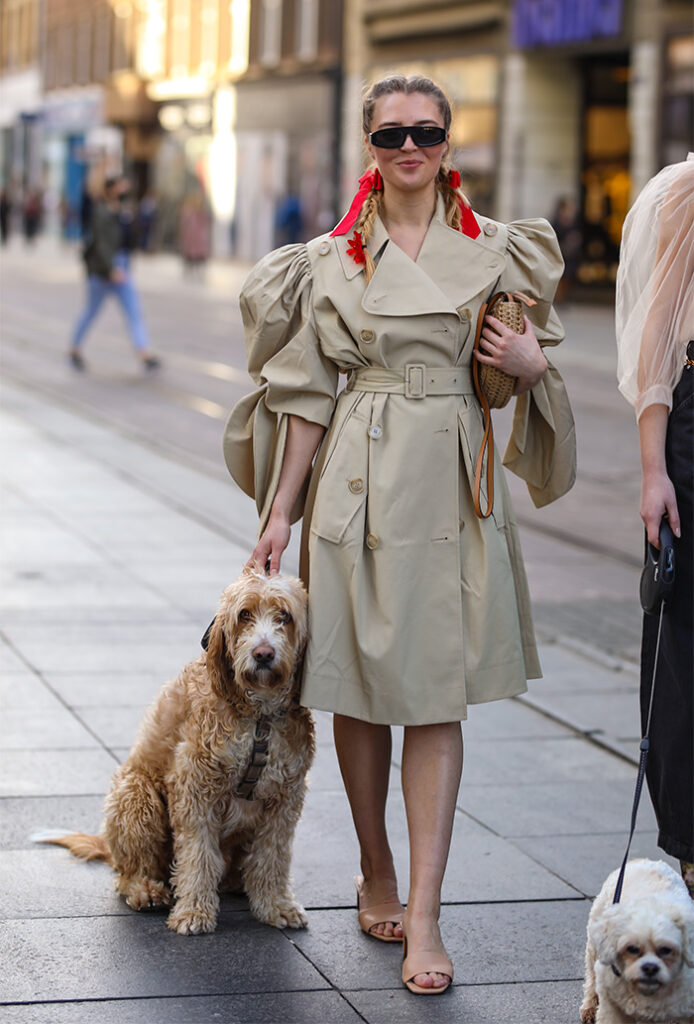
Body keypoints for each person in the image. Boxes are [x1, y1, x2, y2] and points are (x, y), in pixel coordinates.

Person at [223, 74, 575, 994]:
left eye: (425, 132)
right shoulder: (330, 259)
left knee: (434, 696)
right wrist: (278, 515)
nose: (408, 147)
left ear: (449, 146)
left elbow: (526, 369)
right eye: (391, 136)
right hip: (354, 481)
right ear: (369, 150)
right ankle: (374, 862)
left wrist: (532, 366)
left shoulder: (498, 251)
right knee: (355, 692)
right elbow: (304, 397)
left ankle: (423, 913)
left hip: (452, 488)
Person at [615, 154, 694, 895]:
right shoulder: (687, 192)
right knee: (688, 640)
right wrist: (653, 470)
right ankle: (693, 845)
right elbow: (658, 344)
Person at [69, 175, 160, 371]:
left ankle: (144, 353)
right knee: (90, 311)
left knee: (134, 311)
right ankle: (74, 347)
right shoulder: (101, 212)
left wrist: (131, 216)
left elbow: (132, 239)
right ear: (111, 190)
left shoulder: (125, 212)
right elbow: (101, 243)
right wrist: (111, 268)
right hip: (104, 270)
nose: (125, 191)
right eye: (121, 187)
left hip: (122, 265)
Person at [178, 189, 211, 275]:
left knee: (199, 255)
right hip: (191, 237)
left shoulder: (201, 212)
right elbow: (184, 223)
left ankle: (198, 270)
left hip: (198, 238)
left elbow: (205, 223)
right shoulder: (188, 211)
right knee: (190, 255)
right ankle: (189, 269)